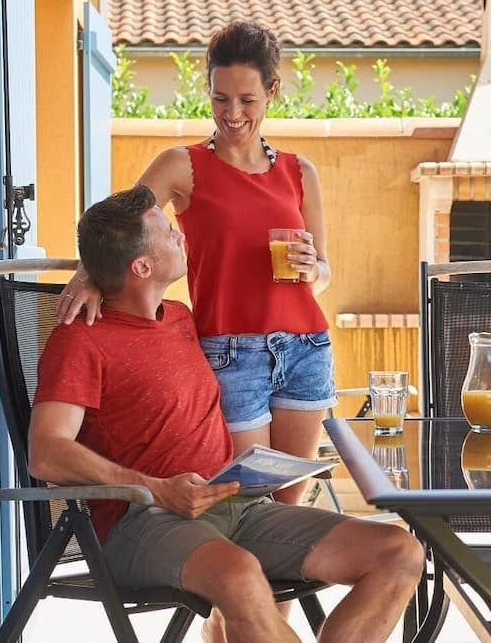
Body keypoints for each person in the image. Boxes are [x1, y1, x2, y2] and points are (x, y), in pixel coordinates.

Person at [31, 186, 424, 643]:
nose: (180, 237)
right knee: (239, 576)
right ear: (141, 267)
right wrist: (157, 490)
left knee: (398, 551)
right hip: (141, 521)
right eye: (167, 232)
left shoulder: (179, 317)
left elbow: (248, 281)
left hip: (235, 507)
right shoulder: (80, 341)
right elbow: (46, 452)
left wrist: (314, 267)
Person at [58, 20, 333, 506]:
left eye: (247, 100)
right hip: (230, 353)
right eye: (220, 98)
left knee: (288, 511)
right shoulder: (181, 165)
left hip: (306, 348)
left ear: (271, 92)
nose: (232, 113)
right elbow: (115, 228)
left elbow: (325, 274)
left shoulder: (300, 172)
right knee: (244, 503)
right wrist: (90, 276)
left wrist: (314, 270)